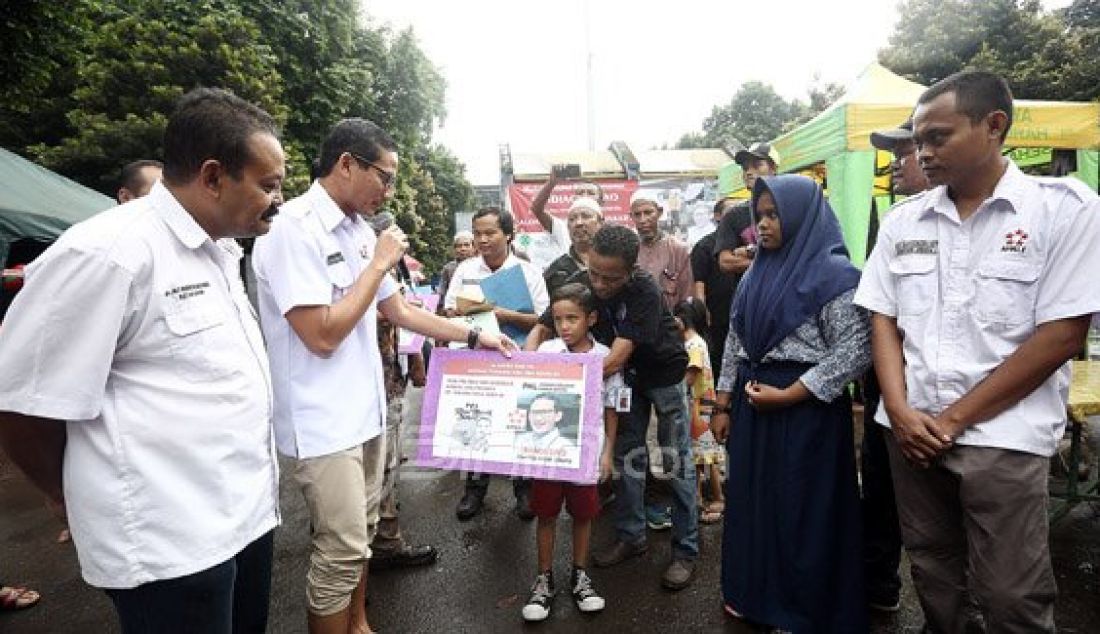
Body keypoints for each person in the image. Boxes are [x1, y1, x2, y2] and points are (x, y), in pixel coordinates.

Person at [0, 87, 285, 633]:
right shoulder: (108, 253)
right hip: (166, 544)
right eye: (267, 185)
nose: (277, 200)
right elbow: (22, 403)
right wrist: (64, 493)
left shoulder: (220, 250)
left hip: (244, 519)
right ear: (211, 176)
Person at [854, 70, 1100, 633]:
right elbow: (883, 321)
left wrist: (951, 420)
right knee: (936, 578)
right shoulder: (902, 221)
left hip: (1002, 439)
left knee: (1012, 595)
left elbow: (1061, 335)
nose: (923, 152)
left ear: (994, 127)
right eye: (918, 141)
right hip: (911, 436)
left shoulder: (1063, 210)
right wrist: (900, 412)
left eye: (937, 137)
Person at [252, 118, 514, 634]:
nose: (389, 190)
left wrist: (473, 335)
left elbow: (399, 312)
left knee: (365, 534)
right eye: (385, 176)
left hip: (366, 411)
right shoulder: (292, 229)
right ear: (347, 163)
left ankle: (360, 624)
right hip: (322, 423)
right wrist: (377, 263)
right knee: (340, 550)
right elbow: (321, 334)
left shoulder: (356, 230)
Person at [711, 174, 870, 632]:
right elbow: (735, 341)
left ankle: (799, 608)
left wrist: (791, 395)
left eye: (773, 214)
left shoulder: (837, 277)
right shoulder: (756, 273)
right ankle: (752, 594)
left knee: (801, 507)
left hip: (806, 409)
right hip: (754, 398)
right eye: (759, 216)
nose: (762, 225)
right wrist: (721, 405)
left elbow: (855, 350)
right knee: (752, 502)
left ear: (802, 216)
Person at [527, 225, 699, 591]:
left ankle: (685, 550)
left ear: (631, 268)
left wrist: (554, 381)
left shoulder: (644, 290)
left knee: (676, 460)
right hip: (627, 383)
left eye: (611, 278)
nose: (600, 285)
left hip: (663, 375)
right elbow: (543, 328)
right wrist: (526, 370)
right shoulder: (581, 278)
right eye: (595, 273)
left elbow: (616, 358)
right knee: (626, 456)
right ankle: (631, 536)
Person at [860, 115, 930, 613]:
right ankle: (880, 587)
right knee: (882, 496)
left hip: (952, 405)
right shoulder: (896, 223)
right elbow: (880, 316)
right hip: (891, 397)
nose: (896, 163)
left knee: (942, 524)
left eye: (904, 151)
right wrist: (893, 402)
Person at [522, 282, 621, 622]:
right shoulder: (547, 351)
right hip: (548, 454)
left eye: (572, 318)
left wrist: (607, 452)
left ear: (591, 318)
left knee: (583, 515)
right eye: (558, 318)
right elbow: (522, 372)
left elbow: (612, 407)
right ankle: (543, 579)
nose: (564, 326)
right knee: (546, 515)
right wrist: (537, 329)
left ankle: (580, 576)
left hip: (586, 453)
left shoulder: (605, 356)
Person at [444, 207, 549, 521]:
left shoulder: (528, 272)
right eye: (477, 233)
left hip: (515, 359)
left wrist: (506, 315)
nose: (482, 239)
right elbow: (449, 311)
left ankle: (524, 489)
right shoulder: (465, 270)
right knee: (476, 423)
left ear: (508, 234)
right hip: (475, 359)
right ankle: (474, 489)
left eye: (490, 233)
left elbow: (544, 321)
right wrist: (477, 313)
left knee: (518, 423)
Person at [366, 212, 438, 572]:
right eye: (391, 234)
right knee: (376, 469)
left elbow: (401, 327)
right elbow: (386, 314)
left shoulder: (391, 270)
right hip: (369, 388)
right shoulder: (368, 267)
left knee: (388, 465)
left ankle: (384, 536)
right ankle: (379, 545)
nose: (400, 239)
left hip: (392, 377)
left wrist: (416, 362)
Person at [673, 298, 723, 525]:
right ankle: (704, 498)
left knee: (700, 455)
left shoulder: (693, 345)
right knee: (705, 455)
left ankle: (707, 500)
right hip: (704, 405)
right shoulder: (699, 342)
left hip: (697, 407)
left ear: (682, 320)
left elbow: (689, 378)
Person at [714, 141, 780, 276]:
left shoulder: (794, 205)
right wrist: (770, 265)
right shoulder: (733, 215)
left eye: (757, 165)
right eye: (745, 168)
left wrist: (749, 251)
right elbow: (726, 262)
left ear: (773, 168)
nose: (749, 172)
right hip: (754, 294)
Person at [690, 197, 740, 374]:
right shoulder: (704, 246)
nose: (737, 215)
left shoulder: (748, 244)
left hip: (742, 313)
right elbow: (699, 282)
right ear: (718, 216)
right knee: (718, 357)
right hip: (718, 315)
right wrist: (702, 312)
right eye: (731, 211)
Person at [630, 190, 693, 309]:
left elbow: (687, 295)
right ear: (631, 217)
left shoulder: (678, 249)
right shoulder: (627, 249)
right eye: (637, 214)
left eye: (648, 213)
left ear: (659, 212)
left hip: (670, 322)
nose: (643, 220)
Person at [530, 165, 605, 256]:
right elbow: (537, 209)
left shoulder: (612, 234)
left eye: (591, 193)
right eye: (580, 193)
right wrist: (552, 182)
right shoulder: (562, 227)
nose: (585, 195)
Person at [543, 197, 603, 295]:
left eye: (586, 216)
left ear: (601, 222)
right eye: (572, 219)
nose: (578, 223)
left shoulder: (614, 260)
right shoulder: (557, 269)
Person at [435, 230, 475, 315]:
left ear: (474, 247)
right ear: (455, 249)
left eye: (466, 245)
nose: (463, 249)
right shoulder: (448, 268)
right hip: (455, 312)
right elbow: (442, 293)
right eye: (459, 246)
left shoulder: (482, 265)